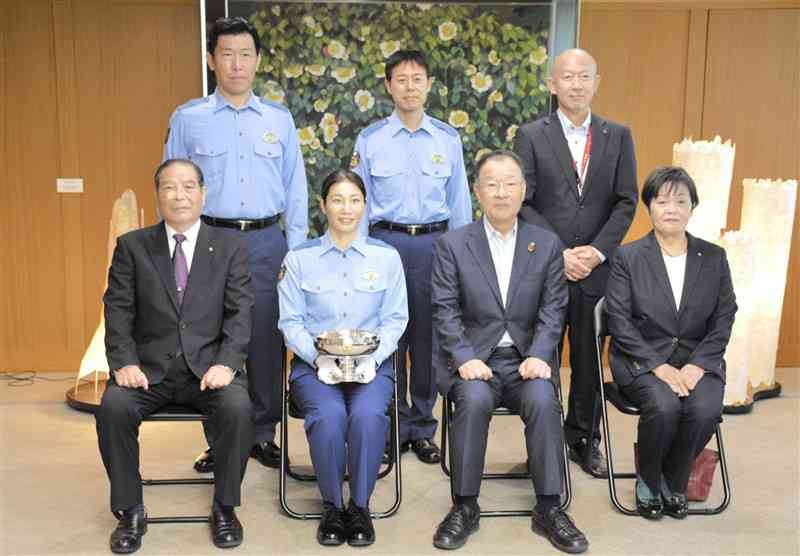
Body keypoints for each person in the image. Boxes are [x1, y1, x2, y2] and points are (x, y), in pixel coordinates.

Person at [164, 16, 308, 473]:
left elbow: (296, 189)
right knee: (209, 339)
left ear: (258, 60)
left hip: (267, 241)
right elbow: (173, 184)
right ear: (211, 60)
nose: (237, 63)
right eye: (227, 54)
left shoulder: (278, 120)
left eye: (245, 54)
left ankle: (263, 434)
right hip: (209, 240)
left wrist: (297, 252)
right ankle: (220, 438)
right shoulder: (189, 119)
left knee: (266, 339)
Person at [430, 151, 588, 554]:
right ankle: (464, 505)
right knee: (474, 400)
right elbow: (444, 310)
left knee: (542, 398)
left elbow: (554, 309)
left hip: (525, 361)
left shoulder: (546, 244)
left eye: (510, 183)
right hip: (473, 361)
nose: (501, 192)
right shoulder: (453, 244)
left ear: (524, 190)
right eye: (492, 184)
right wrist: (464, 357)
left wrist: (539, 354)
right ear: (477, 191)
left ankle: (550, 506)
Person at [96, 159, 254, 553]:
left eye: (188, 186)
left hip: (209, 370)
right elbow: (117, 310)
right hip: (149, 371)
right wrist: (125, 362)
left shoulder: (230, 246)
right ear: (158, 194)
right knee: (113, 408)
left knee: (237, 407)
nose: (179, 195)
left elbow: (240, 312)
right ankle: (130, 510)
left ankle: (225, 506)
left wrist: (226, 363)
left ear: (202, 193)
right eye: (169, 187)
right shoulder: (133, 246)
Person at [513, 48, 638, 477]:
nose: (576, 84)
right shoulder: (530, 136)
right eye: (567, 77)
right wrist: (560, 252)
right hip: (548, 267)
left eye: (585, 76)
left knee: (588, 360)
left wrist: (596, 251)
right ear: (553, 84)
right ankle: (543, 446)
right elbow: (523, 203)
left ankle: (584, 439)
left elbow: (626, 201)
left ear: (596, 83)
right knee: (540, 358)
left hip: (597, 269)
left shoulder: (617, 135)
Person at [351, 49, 472, 463]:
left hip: (435, 247)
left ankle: (421, 426)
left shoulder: (447, 139)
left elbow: (460, 205)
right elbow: (359, 205)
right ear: (388, 86)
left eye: (416, 79)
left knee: (427, 341)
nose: (409, 87)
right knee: (387, 338)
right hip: (385, 247)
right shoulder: (370, 140)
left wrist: (464, 261)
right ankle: (389, 425)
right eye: (400, 79)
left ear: (428, 85)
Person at [277, 170, 408, 547]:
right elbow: (290, 322)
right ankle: (333, 505)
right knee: (329, 416)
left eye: (354, 200)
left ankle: (360, 506)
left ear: (365, 205)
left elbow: (396, 318)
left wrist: (375, 357)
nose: (346, 209)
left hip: (373, 365)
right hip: (314, 366)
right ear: (323, 206)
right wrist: (317, 358)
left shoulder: (386, 257)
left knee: (368, 415)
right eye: (337, 199)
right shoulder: (299, 258)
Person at [605, 166, 736, 519]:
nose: (672, 208)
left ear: (693, 206)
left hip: (698, 360)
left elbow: (725, 316)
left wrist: (696, 365)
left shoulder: (713, 257)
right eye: (662, 201)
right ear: (649, 206)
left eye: (681, 201)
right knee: (664, 407)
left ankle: (673, 479)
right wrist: (660, 367)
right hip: (642, 361)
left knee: (705, 408)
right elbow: (619, 320)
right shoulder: (628, 257)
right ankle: (648, 480)